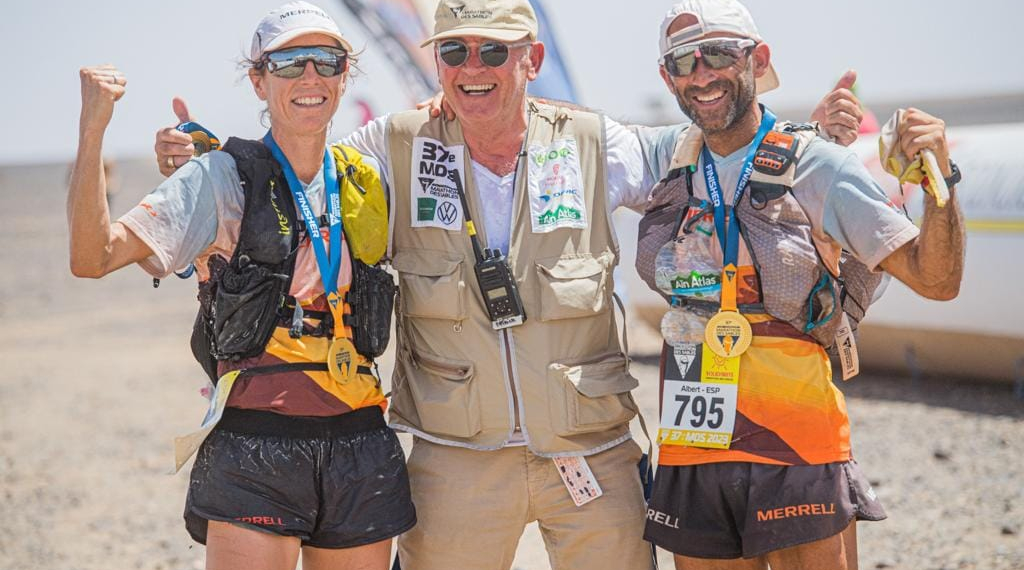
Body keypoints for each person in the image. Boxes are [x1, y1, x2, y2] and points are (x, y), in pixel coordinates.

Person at [154, 2, 867, 569]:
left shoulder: (596, 144)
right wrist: (209, 164)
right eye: (455, 51)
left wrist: (805, 140)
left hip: (587, 451)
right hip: (458, 458)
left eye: (494, 50)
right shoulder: (390, 149)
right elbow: (296, 172)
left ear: (532, 59)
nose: (474, 67)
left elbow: (717, 142)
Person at [67, 3, 415, 569]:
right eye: (287, 62)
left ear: (344, 75)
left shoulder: (366, 176)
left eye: (326, 61)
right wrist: (93, 129)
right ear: (258, 80)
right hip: (257, 445)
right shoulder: (220, 177)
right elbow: (93, 256)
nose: (310, 77)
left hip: (360, 443)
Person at [634, 2, 965, 569]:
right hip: (696, 436)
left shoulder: (819, 166)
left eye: (717, 55)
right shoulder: (668, 155)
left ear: (757, 60)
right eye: (683, 62)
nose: (701, 74)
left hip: (793, 438)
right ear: (667, 77)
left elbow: (936, 280)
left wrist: (940, 179)